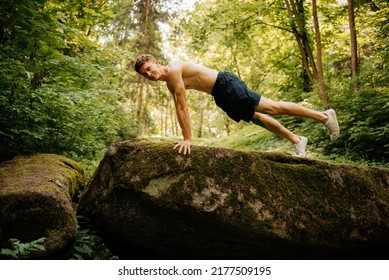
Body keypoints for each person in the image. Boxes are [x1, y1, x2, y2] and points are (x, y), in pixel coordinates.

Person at [134, 54, 339, 157]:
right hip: (220, 95)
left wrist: (187, 139)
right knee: (256, 118)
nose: (150, 74)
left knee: (272, 107)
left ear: (157, 62)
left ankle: (324, 117)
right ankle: (297, 140)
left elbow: (182, 107)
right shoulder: (170, 84)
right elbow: (178, 109)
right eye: (145, 74)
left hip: (226, 85)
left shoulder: (175, 70)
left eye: (150, 68)